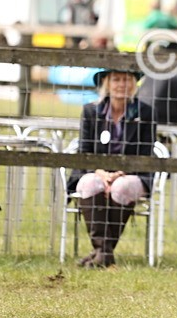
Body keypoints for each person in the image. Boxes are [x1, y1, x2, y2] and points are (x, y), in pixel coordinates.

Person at [66, 67, 156, 267]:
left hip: (132, 173)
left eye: (126, 79)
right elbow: (84, 151)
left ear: (133, 84)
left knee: (121, 187)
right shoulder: (90, 111)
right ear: (107, 83)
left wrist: (119, 173)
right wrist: (100, 172)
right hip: (95, 171)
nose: (121, 84)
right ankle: (104, 253)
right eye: (116, 79)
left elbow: (146, 153)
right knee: (89, 183)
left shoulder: (145, 113)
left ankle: (101, 252)